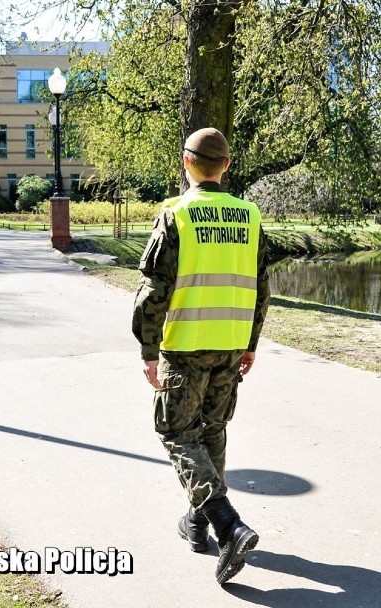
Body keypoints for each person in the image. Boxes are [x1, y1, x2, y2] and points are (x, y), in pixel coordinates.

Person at [132, 127, 270, 583]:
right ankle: (198, 522)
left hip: (185, 344)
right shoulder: (250, 216)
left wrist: (148, 349)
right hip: (230, 344)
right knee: (212, 431)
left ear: (186, 162)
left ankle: (228, 525)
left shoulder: (176, 214)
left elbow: (154, 290)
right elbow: (262, 291)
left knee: (175, 431)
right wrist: (250, 343)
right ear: (226, 166)